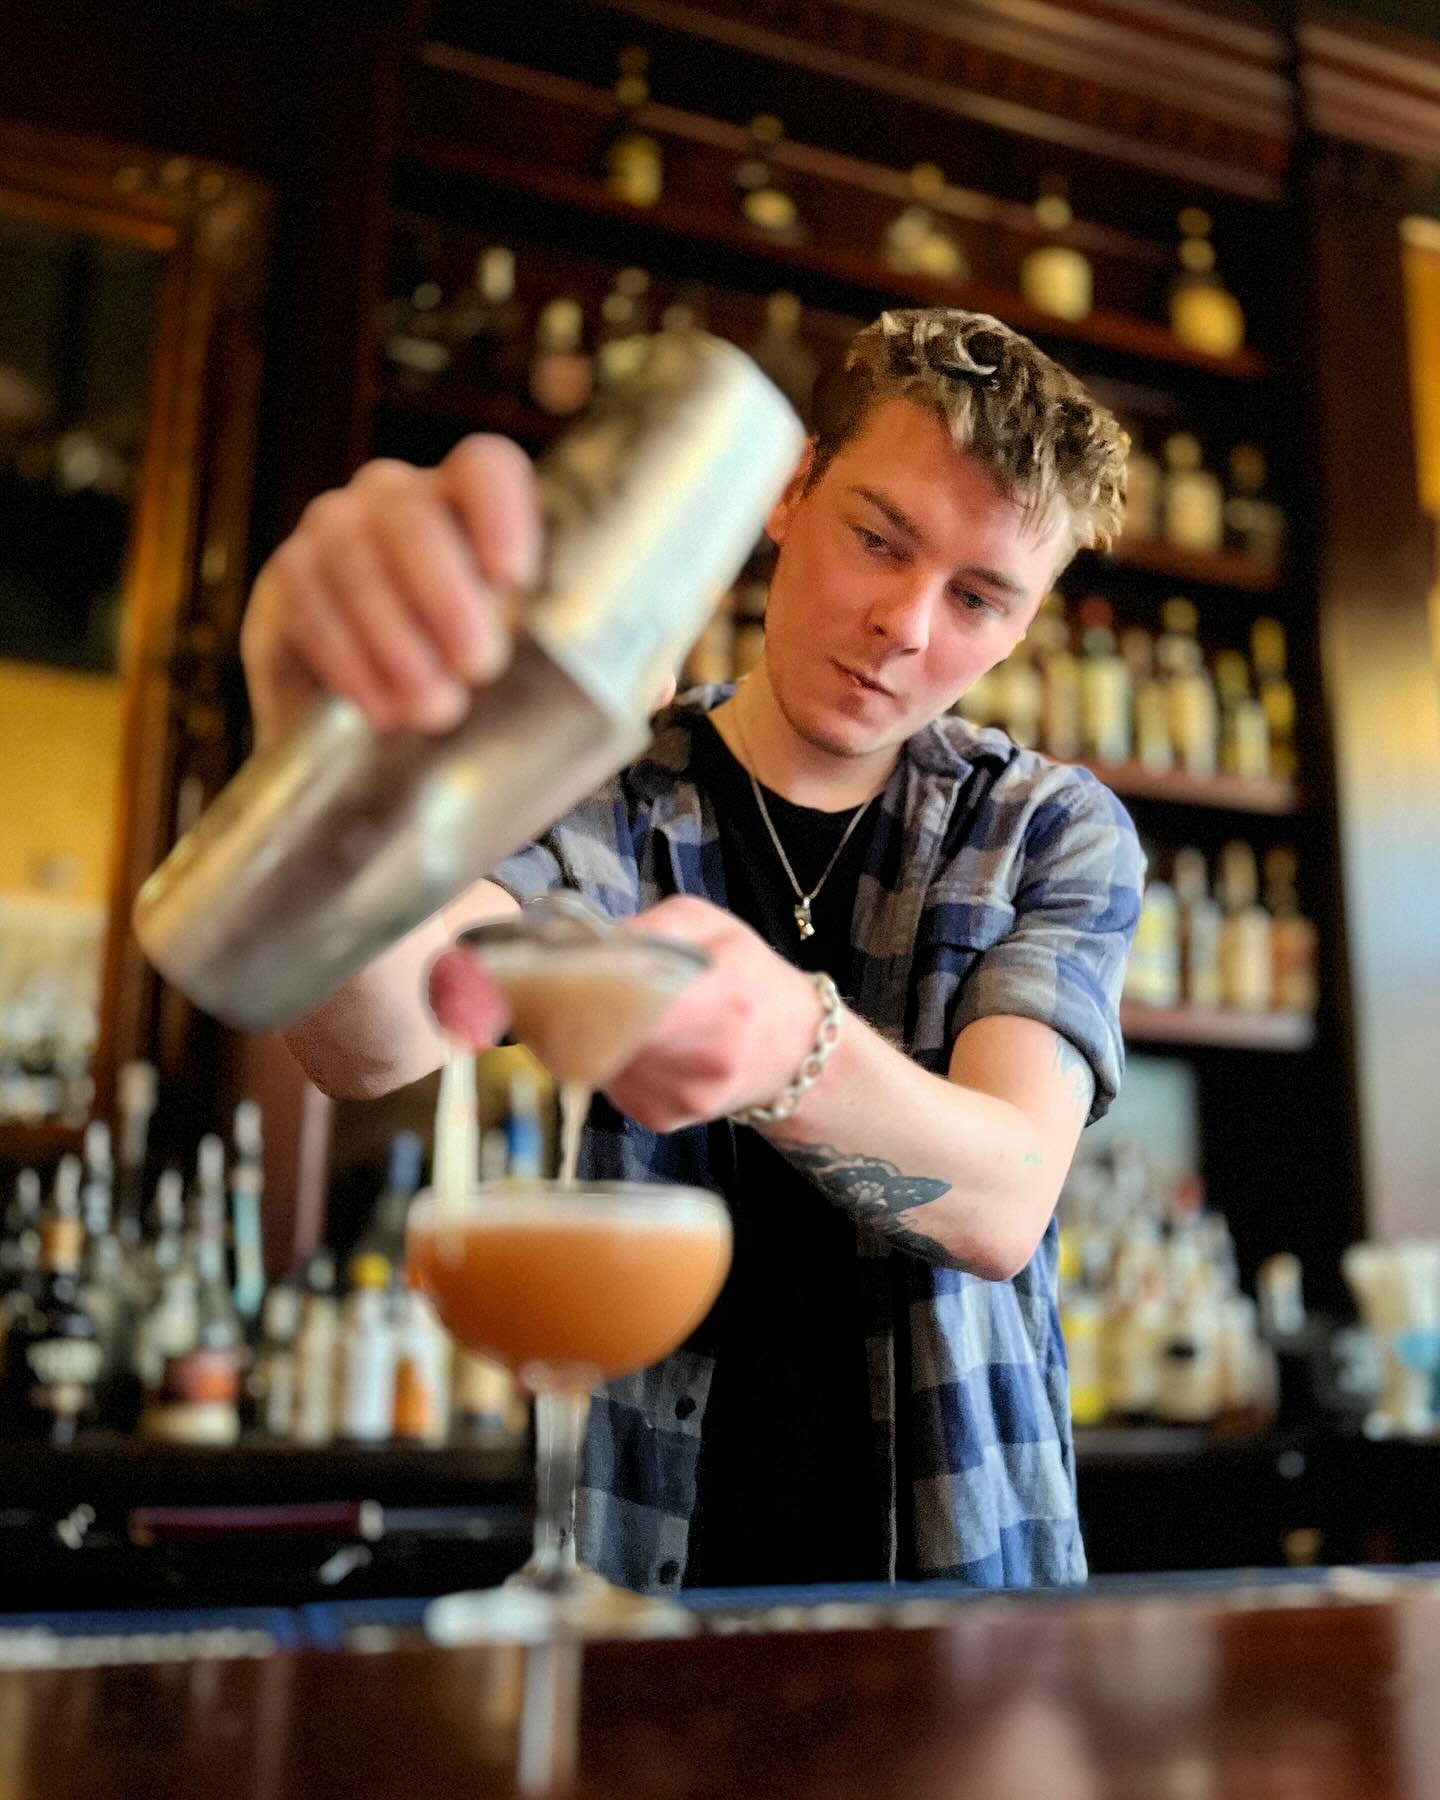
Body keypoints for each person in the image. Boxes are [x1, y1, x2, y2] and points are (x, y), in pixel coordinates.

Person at [240, 306, 1142, 1594]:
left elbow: (1003, 1201)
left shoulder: (1043, 830)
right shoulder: (611, 790)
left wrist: (786, 1044)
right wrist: (332, 765)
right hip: (629, 1571)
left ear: (1027, 621)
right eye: (877, 539)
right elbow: (365, 1038)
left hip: (964, 1590)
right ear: (790, 499)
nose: (903, 622)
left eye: (980, 597)